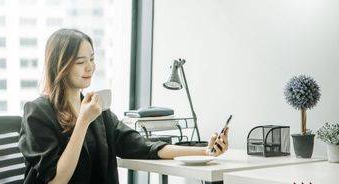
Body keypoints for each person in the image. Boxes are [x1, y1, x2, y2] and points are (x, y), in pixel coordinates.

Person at [18, 28, 229, 184]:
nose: (90, 67)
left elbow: (142, 146)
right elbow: (56, 180)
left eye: (92, 59)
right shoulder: (38, 112)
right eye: (80, 62)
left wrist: (205, 151)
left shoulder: (97, 108)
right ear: (60, 65)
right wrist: (82, 121)